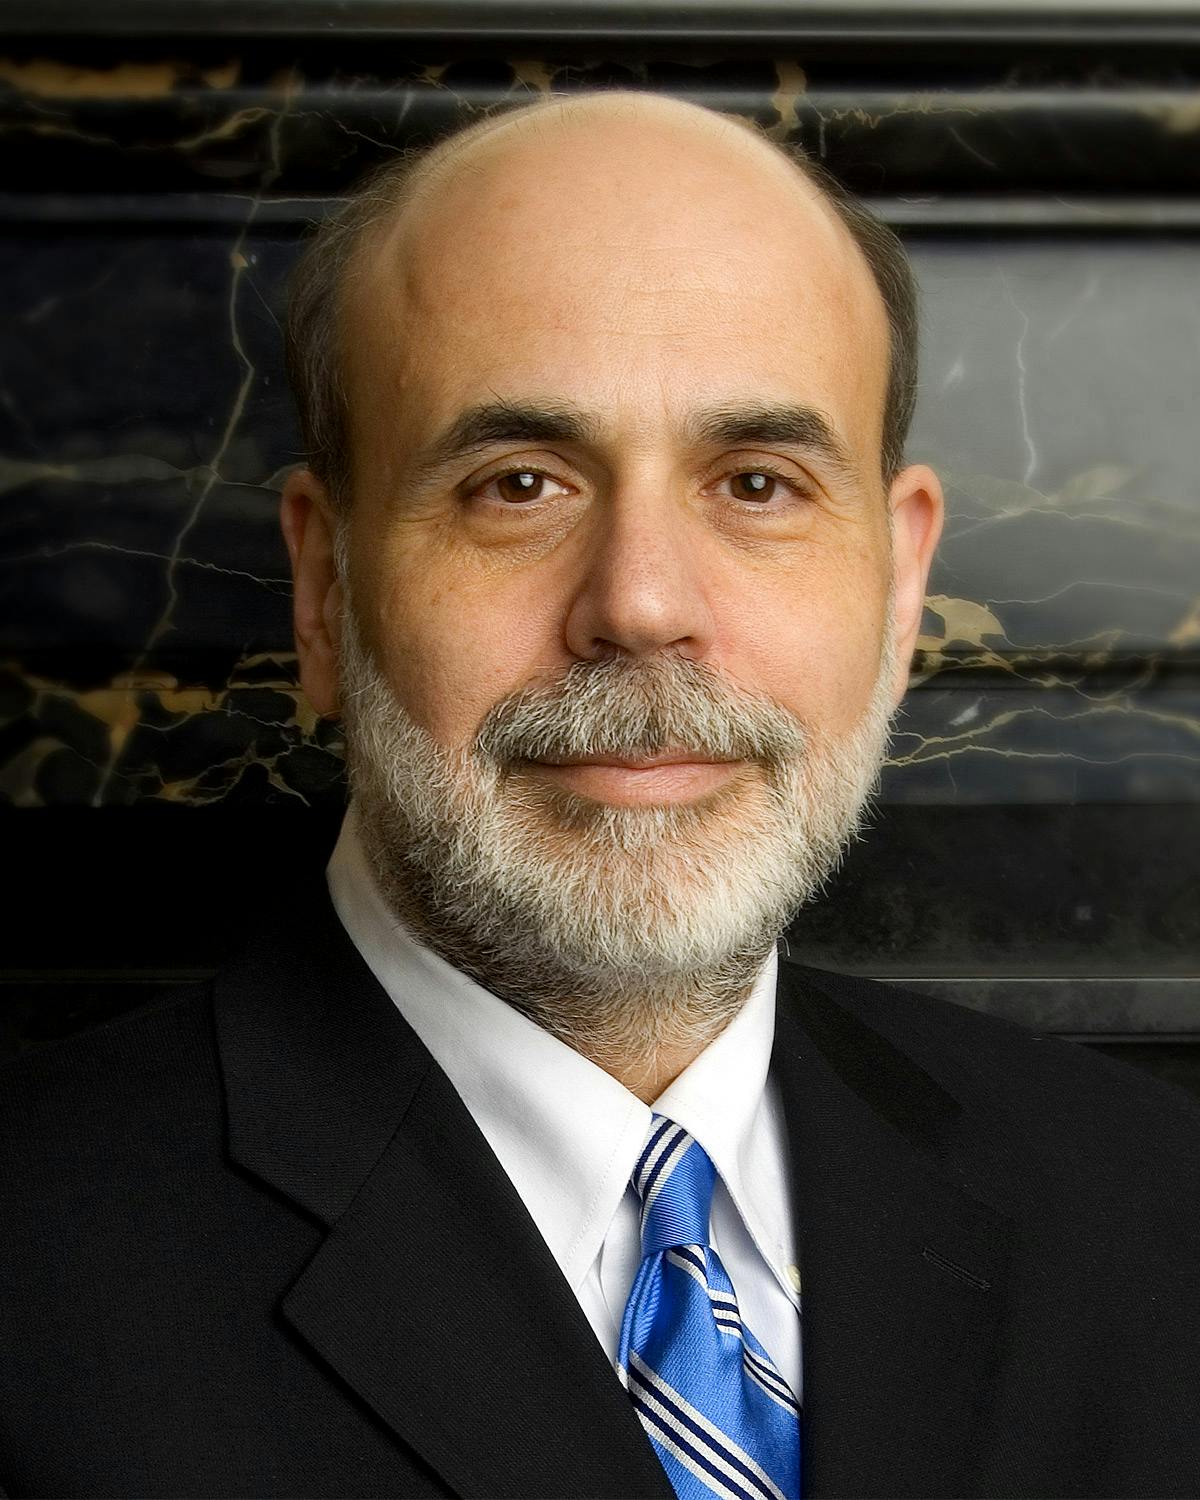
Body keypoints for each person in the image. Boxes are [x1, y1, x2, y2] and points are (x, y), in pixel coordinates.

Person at [1, 89, 1198, 1500]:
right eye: (519, 484)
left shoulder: (1159, 1212)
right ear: (325, 590)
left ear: (898, 592)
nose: (640, 604)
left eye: (756, 484)